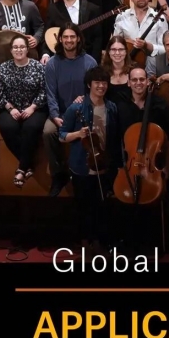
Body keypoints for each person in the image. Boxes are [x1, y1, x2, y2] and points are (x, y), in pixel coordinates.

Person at [59, 66, 121, 250]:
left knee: (101, 206)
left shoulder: (111, 108)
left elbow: (114, 137)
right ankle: (84, 241)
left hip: (104, 164)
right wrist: (78, 134)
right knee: (83, 206)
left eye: (104, 83)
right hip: (82, 165)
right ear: (89, 85)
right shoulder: (76, 108)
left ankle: (99, 241)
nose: (101, 86)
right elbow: (62, 135)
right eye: (97, 83)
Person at [44, 23, 97, 197]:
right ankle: (58, 175)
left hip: (84, 112)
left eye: (72, 36)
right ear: (60, 39)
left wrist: (85, 100)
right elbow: (50, 93)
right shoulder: (52, 63)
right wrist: (54, 115)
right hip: (60, 114)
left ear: (78, 39)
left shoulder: (90, 62)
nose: (69, 40)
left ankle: (88, 175)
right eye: (65, 37)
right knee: (48, 132)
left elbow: (95, 90)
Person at [0, 33, 47, 187]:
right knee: (7, 127)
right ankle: (28, 165)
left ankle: (21, 169)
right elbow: (0, 94)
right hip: (10, 108)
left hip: (35, 108)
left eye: (22, 47)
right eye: (15, 47)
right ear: (11, 50)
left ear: (27, 49)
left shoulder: (38, 67)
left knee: (31, 127)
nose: (19, 50)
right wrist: (11, 109)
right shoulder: (3, 68)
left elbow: (44, 91)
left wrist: (32, 107)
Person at [41, 0, 102, 64]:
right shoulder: (53, 9)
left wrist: (94, 62)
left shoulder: (92, 9)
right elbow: (46, 34)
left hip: (86, 59)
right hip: (62, 59)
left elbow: (97, 39)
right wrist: (45, 54)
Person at [113, 0, 168, 64]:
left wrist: (148, 46)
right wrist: (126, 42)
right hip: (126, 63)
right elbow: (115, 44)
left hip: (152, 64)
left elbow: (165, 49)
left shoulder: (160, 18)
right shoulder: (122, 17)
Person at [101, 35, 134, 104]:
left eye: (121, 49)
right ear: (109, 51)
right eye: (113, 49)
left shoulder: (134, 71)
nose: (117, 53)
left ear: (126, 51)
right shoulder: (101, 72)